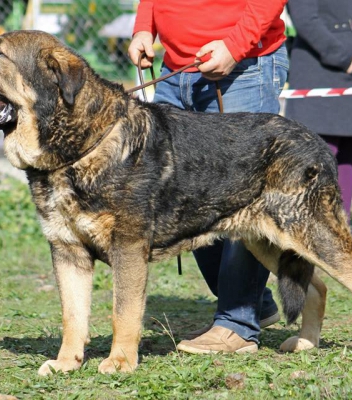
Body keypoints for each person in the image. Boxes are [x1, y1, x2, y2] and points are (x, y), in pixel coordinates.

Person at [128, 0, 288, 354]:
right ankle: (252, 305)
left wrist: (234, 46)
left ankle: (237, 323)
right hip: (176, 70)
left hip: (243, 65)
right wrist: (144, 27)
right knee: (183, 194)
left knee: (245, 194)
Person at [285, 0, 352, 226]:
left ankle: (340, 236)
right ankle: (309, 240)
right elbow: (305, 19)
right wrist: (342, 57)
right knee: (316, 160)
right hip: (323, 67)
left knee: (346, 157)